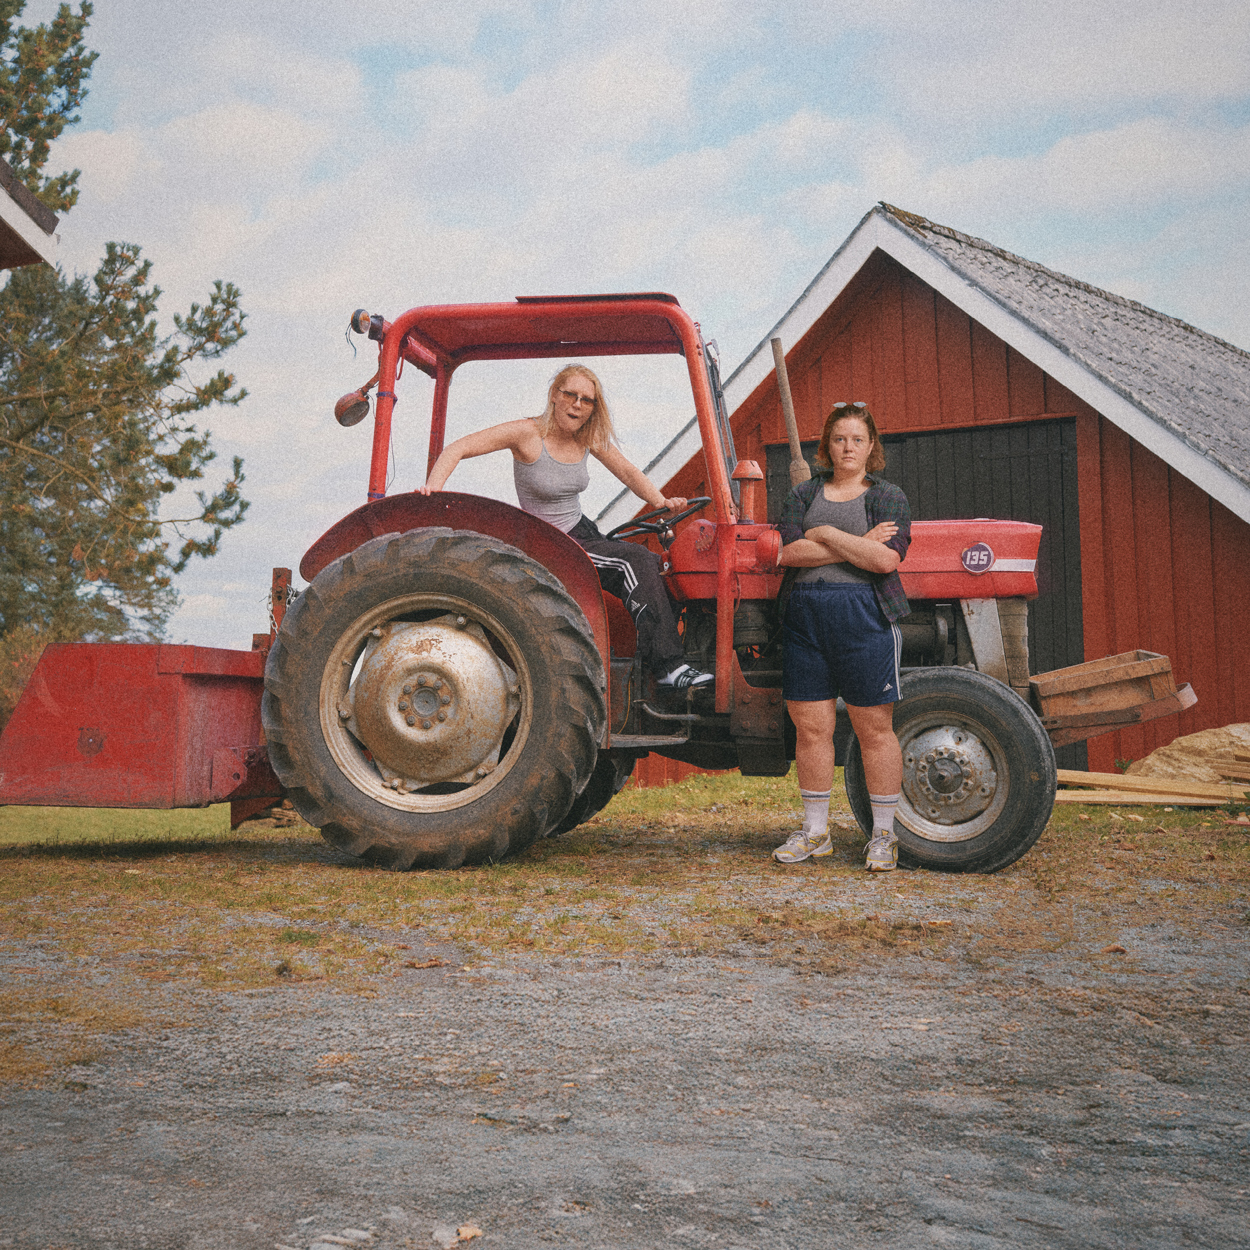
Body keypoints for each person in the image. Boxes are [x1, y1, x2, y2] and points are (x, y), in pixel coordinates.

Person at [419, 364, 713, 690]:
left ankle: (649, 673)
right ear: (555, 396)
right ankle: (670, 668)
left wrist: (661, 502)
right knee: (636, 562)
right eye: (570, 395)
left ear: (592, 408)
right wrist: (432, 491)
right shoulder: (527, 433)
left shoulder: (587, 438)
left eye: (586, 400)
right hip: (552, 546)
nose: (577, 404)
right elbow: (458, 447)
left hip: (583, 531)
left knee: (659, 569)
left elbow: (628, 472)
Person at [771, 401, 911, 871]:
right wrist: (858, 542)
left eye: (857, 439)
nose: (847, 447)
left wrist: (826, 533)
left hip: (865, 616)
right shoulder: (802, 493)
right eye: (838, 439)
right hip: (805, 618)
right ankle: (815, 833)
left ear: (872, 447)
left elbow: (885, 562)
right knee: (812, 729)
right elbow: (787, 554)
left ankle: (883, 836)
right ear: (826, 447)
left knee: (874, 730)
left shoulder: (888, 496)